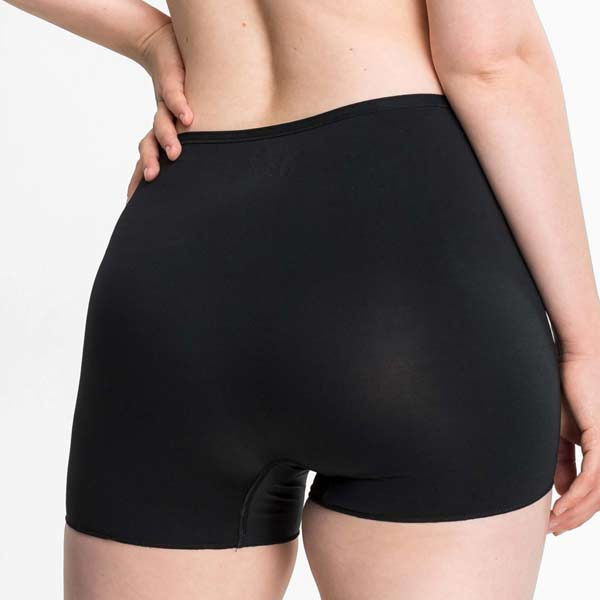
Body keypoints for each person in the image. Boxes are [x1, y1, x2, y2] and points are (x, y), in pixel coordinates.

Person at [6, 1, 600, 598]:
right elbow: (492, 61)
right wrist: (584, 346)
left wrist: (152, 39)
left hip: (181, 245)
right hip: (407, 260)